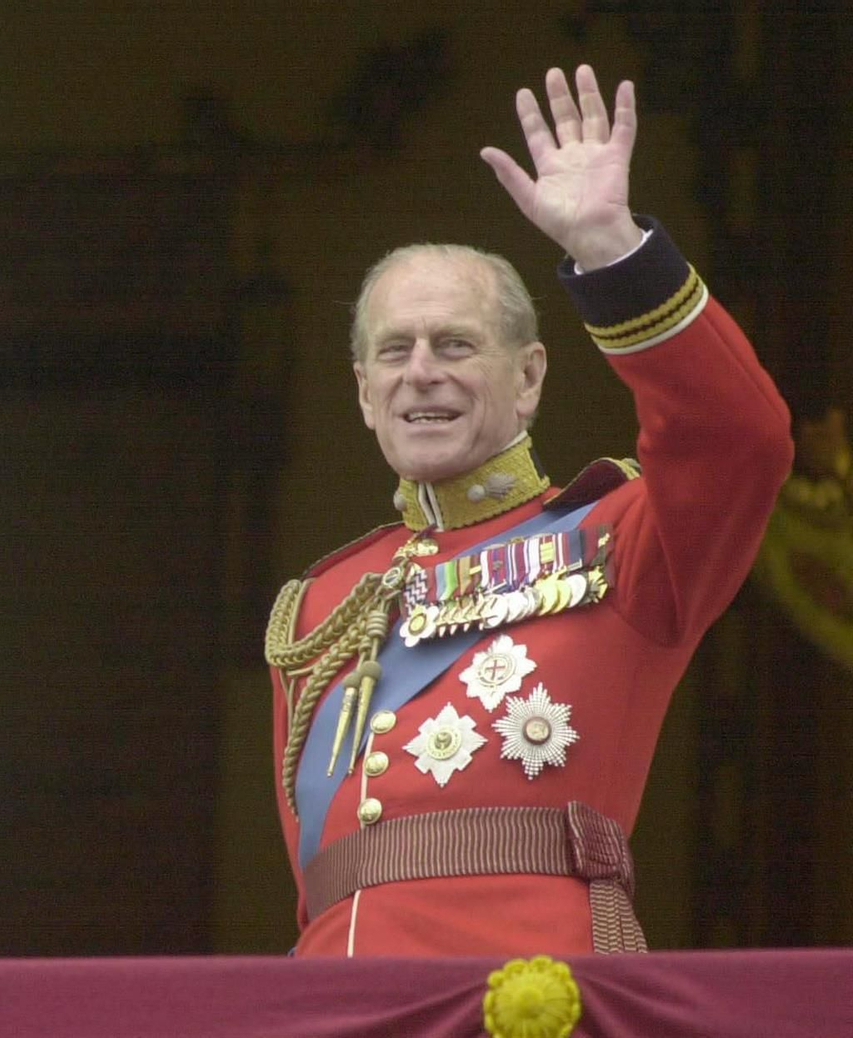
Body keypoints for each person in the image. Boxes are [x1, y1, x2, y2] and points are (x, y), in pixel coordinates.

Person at [264, 66, 792, 957]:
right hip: (335, 998)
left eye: (456, 345)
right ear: (363, 392)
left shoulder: (618, 541)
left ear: (531, 376)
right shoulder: (319, 606)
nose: (420, 371)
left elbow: (739, 439)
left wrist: (614, 251)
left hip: (533, 988)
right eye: (394, 351)